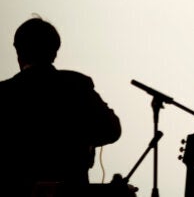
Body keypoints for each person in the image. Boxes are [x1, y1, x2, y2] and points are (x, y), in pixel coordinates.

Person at [0, 16, 122, 197]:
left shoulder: (4, 93)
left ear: (18, 51)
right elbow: (112, 129)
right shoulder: (77, 84)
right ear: (54, 52)